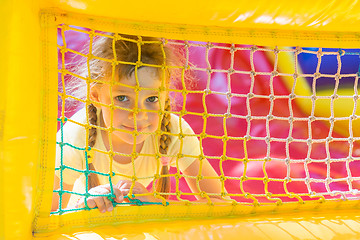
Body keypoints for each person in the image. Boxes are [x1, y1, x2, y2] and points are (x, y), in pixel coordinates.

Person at [52, 33, 226, 213]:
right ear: (96, 96)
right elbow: (46, 215)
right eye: (122, 98)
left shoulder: (174, 131)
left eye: (151, 98)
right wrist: (83, 206)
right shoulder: (77, 135)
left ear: (165, 95)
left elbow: (222, 203)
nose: (139, 114)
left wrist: (158, 205)